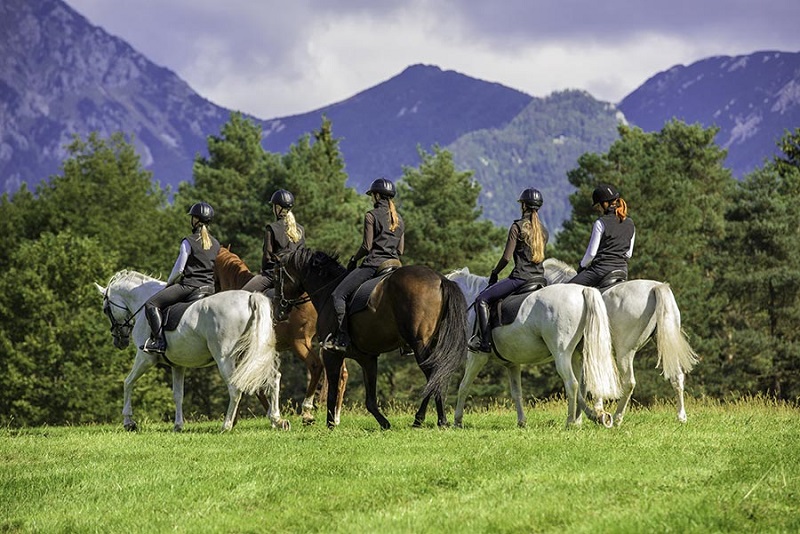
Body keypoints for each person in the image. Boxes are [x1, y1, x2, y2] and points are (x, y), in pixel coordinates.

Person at [325, 177, 405, 352]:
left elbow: (367, 246)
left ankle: (342, 338)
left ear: (377, 196)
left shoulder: (371, 215)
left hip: (374, 264)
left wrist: (354, 259)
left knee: (338, 295)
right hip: (395, 264)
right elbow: (400, 250)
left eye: (372, 196)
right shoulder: (399, 219)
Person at [468, 188, 549, 353]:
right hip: (540, 279)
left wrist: (495, 272)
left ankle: (484, 343)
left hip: (520, 278)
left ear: (524, 206)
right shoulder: (543, 230)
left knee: (482, 299)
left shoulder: (517, 227)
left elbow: (506, 258)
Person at [142, 202, 221, 354]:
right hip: (209, 288)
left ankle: (159, 342)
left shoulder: (188, 241)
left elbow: (179, 269)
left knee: (151, 304)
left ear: (195, 220)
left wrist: (169, 283)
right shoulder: (216, 244)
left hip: (189, 286)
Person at [568, 183, 635, 287]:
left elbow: (591, 254)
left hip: (600, 270)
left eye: (598, 205)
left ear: (605, 204)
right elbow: (628, 254)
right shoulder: (630, 223)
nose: (598, 209)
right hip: (622, 270)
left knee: (568, 288)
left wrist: (581, 266)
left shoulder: (600, 223)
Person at [241, 189, 305, 294]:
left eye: (274, 206)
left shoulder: (271, 228)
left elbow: (267, 257)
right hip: (295, 275)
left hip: (273, 274)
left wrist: (264, 272)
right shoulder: (300, 229)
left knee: (243, 294)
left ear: (278, 208)